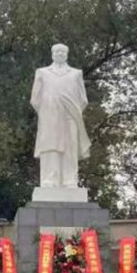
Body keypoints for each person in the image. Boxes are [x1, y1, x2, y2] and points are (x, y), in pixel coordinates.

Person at [30, 43, 91, 188]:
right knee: (50, 146)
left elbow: (83, 99)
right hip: (49, 114)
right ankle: (49, 179)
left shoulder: (76, 73)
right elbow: (35, 99)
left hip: (70, 115)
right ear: (52, 54)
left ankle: (70, 180)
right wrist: (48, 109)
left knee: (70, 146)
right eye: (57, 51)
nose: (60, 54)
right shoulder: (42, 72)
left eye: (63, 52)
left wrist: (72, 109)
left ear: (67, 54)